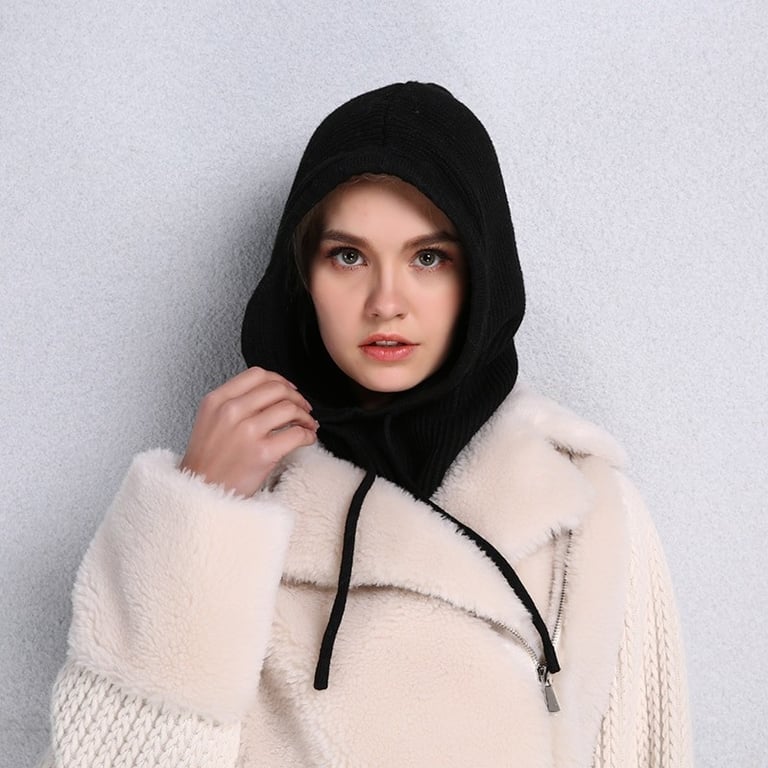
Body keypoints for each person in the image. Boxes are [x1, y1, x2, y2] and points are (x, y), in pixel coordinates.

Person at [38, 82, 692, 767]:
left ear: (481, 271)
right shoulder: (237, 502)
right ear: (303, 275)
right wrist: (199, 514)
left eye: (429, 257)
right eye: (348, 256)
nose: (386, 302)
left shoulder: (581, 504)